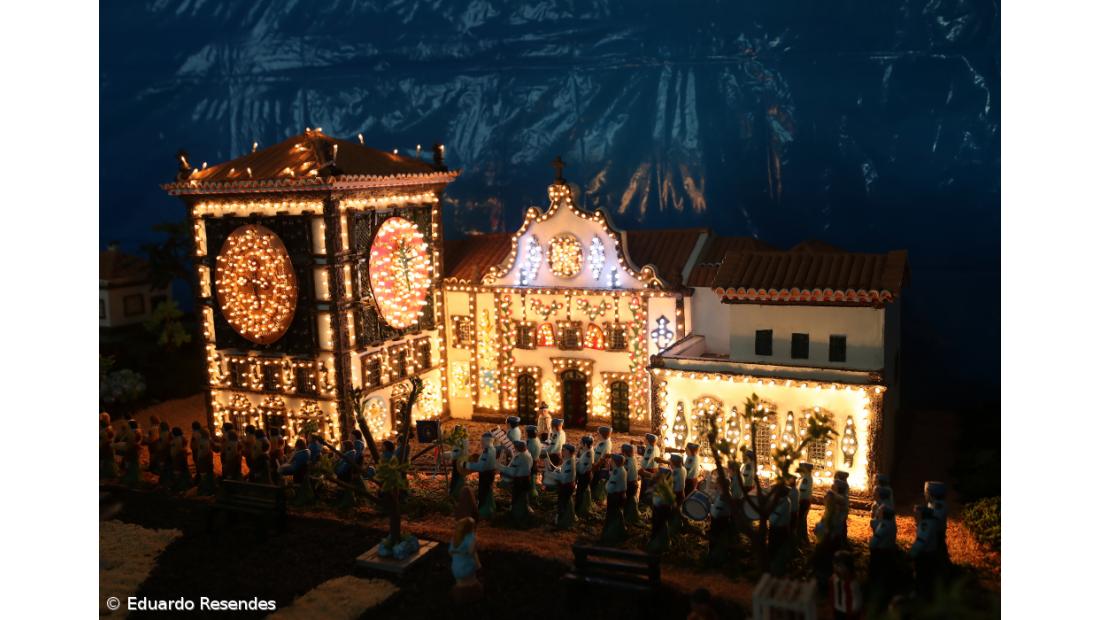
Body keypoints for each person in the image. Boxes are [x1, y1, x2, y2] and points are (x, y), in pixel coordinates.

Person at [496, 440, 532, 526]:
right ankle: (523, 513)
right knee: (524, 498)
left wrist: (499, 467)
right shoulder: (528, 455)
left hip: (519, 481)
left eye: (515, 448)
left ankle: (517, 515)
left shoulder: (519, 457)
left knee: (517, 498)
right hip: (526, 480)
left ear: (517, 448)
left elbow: (512, 472)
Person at [449, 517, 483, 603]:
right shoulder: (471, 537)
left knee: (460, 585)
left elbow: (451, 552)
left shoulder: (455, 538)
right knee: (472, 584)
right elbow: (472, 552)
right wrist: (478, 564)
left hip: (456, 567)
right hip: (467, 566)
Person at [466, 433, 497, 520]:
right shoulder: (493, 449)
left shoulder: (487, 452)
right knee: (488, 491)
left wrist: (467, 465)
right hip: (490, 473)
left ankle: (484, 511)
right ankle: (491, 508)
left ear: (487, 441)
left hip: (485, 475)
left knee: (484, 492)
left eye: (482, 441)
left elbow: (481, 466)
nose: (481, 443)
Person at [869, 506, 898, 599]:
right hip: (889, 551)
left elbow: (876, 539)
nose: (877, 512)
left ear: (883, 514)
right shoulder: (892, 524)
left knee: (877, 574)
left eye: (879, 511)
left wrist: (871, 545)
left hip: (880, 552)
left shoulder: (883, 525)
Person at [547, 443, 577, 529]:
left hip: (566, 486)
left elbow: (563, 478)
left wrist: (551, 475)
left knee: (562, 503)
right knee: (564, 502)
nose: (562, 452)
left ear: (568, 452)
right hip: (568, 485)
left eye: (564, 450)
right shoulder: (568, 460)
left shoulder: (568, 463)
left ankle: (562, 521)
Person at [600, 453, 627, 544]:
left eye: (611, 460)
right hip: (621, 496)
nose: (610, 462)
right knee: (618, 514)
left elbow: (610, 487)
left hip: (615, 497)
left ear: (615, 462)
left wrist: (606, 484)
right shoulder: (621, 469)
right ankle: (621, 533)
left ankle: (610, 536)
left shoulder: (616, 472)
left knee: (611, 516)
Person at [646, 467, 675, 554]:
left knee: (659, 526)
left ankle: (660, 545)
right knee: (656, 525)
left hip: (662, 510)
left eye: (660, 474)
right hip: (657, 508)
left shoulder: (666, 486)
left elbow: (670, 500)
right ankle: (655, 543)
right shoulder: (659, 484)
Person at [279, 438, 315, 505]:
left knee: (281, 476)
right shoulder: (306, 452)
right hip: (303, 474)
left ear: (298, 446)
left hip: (299, 475)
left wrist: (283, 469)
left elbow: (294, 468)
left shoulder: (300, 455)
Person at [768, 485, 793, 574]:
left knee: (776, 548)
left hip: (778, 529)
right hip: (779, 528)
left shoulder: (784, 503)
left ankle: (775, 570)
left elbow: (774, 518)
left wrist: (767, 516)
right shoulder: (784, 500)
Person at [830, 550, 862, 620]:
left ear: (848, 567)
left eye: (840, 566)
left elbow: (856, 597)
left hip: (848, 611)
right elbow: (833, 593)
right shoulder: (834, 579)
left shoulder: (852, 583)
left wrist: (855, 609)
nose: (837, 568)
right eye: (835, 565)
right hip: (837, 608)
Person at [591, 427, 612, 504]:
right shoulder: (601, 442)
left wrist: (596, 466)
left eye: (598, 433)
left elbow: (603, 458)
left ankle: (597, 498)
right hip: (595, 464)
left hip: (600, 467)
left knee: (596, 482)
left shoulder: (607, 443)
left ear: (602, 434)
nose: (597, 434)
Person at [575, 435, 595, 516]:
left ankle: (579, 510)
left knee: (580, 492)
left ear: (585, 444)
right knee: (581, 491)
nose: (579, 444)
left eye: (581, 443)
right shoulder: (588, 451)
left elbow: (582, 469)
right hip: (586, 475)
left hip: (584, 476)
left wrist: (576, 467)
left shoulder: (587, 455)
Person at [622, 443, 642, 525]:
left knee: (627, 501)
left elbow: (625, 474)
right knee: (632, 500)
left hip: (630, 484)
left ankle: (628, 517)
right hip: (634, 483)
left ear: (624, 452)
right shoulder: (633, 459)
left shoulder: (627, 461)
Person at [448, 428, 469, 500]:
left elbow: (456, 453)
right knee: (457, 477)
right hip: (460, 462)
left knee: (457, 478)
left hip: (458, 462)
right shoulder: (462, 440)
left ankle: (455, 493)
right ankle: (456, 492)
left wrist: (447, 455)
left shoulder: (460, 441)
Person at [639, 433, 660, 502]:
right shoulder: (656, 447)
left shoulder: (650, 449)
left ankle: (643, 504)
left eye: (645, 439)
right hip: (655, 469)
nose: (644, 440)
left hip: (648, 471)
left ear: (648, 440)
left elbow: (646, 462)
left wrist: (641, 470)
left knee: (645, 488)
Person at [195, 428, 216, 496]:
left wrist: (200, 462)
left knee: (205, 477)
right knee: (209, 476)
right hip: (207, 462)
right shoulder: (207, 441)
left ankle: (207, 491)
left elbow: (202, 454)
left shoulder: (203, 443)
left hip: (204, 463)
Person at [796, 463, 814, 542]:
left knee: (801, 520)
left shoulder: (805, 479)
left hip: (803, 501)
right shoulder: (804, 478)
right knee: (802, 519)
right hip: (804, 501)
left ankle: (801, 537)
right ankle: (803, 537)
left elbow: (802, 491)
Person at [170, 426, 191, 492]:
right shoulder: (181, 438)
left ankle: (180, 487)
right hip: (181, 458)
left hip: (177, 459)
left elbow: (177, 450)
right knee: (184, 471)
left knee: (178, 473)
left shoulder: (176, 440)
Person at [524, 425, 542, 504]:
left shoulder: (530, 443)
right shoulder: (536, 440)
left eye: (526, 432)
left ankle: (533, 496)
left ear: (528, 433)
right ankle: (533, 495)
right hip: (534, 462)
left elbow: (527, 453)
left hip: (530, 463)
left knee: (530, 481)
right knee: (532, 479)